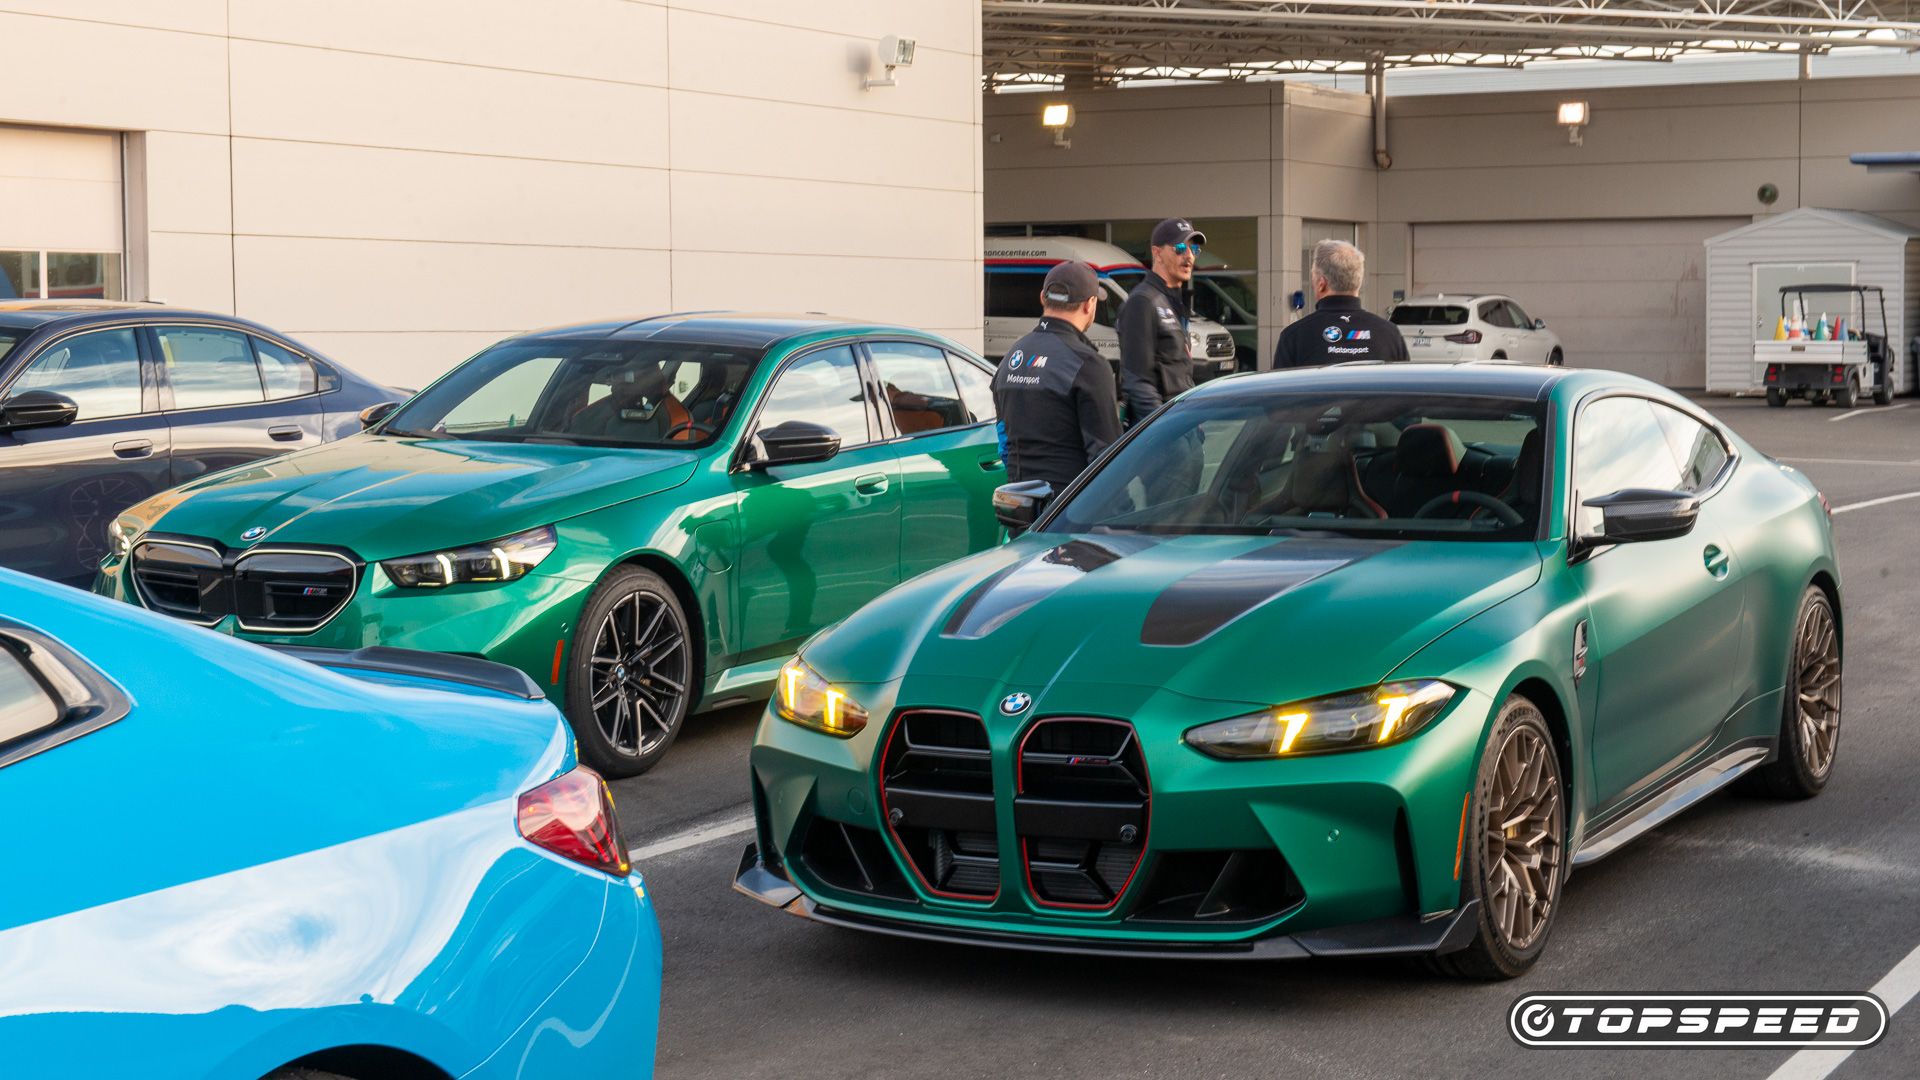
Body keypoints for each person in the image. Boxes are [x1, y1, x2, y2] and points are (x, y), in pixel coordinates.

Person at [991, 260, 1121, 491]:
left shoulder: (1011, 358)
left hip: (1018, 505)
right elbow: (1106, 459)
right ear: (1090, 305)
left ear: (1043, 297)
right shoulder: (1088, 364)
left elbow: (1004, 443)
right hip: (1068, 511)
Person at [1117, 217, 1205, 428]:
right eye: (1180, 248)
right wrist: (1165, 431)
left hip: (1183, 426)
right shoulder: (1143, 301)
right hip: (1164, 435)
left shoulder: (1172, 302)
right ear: (1157, 253)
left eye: (1194, 249)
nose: (1189, 256)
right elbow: (1138, 383)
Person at [1274, 239, 1408, 368]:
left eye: (1313, 277)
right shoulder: (1389, 334)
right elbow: (1406, 386)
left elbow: (1278, 389)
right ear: (1358, 283)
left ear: (1321, 284)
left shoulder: (1295, 337)